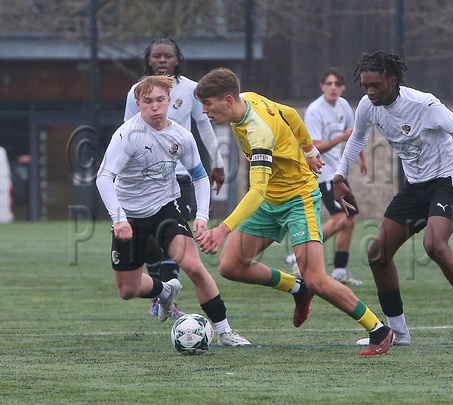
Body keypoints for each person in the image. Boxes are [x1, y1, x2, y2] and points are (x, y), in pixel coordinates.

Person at [193, 67, 394, 355]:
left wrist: (222, 228)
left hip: (297, 198)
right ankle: (297, 289)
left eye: (208, 105)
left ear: (227, 100)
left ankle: (379, 330)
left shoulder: (258, 132)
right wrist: (311, 151)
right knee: (231, 266)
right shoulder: (248, 98)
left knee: (316, 277)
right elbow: (289, 113)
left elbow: (257, 190)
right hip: (269, 201)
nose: (204, 112)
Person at [334, 51, 453, 348]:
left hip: (448, 181)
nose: (370, 92)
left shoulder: (424, 105)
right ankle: (398, 332)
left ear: (392, 80)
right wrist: (338, 177)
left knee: (434, 245)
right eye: (365, 86)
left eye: (376, 86)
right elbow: (358, 137)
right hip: (415, 187)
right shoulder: (368, 106)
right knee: (378, 254)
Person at [97, 75, 250, 347]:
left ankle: (226, 332)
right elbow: (104, 177)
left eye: (160, 101)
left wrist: (202, 216)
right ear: (138, 103)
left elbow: (200, 176)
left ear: (170, 102)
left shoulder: (180, 135)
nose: (155, 107)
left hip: (165, 209)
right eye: (148, 102)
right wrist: (119, 219)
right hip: (129, 216)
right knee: (127, 290)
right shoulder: (126, 135)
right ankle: (165, 291)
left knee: (195, 268)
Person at [124, 38, 225, 318]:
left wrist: (217, 162)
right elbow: (127, 134)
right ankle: (161, 293)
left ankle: (167, 296)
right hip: (148, 177)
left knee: (175, 236)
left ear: (176, 59)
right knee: (149, 242)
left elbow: (204, 126)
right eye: (157, 56)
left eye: (167, 56)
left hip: (180, 176)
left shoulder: (191, 89)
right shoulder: (136, 91)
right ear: (149, 60)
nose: (162, 60)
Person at [303, 67, 367, 286]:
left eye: (337, 84)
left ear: (342, 87)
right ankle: (298, 256)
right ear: (322, 86)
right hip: (320, 173)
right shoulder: (314, 111)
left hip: (336, 173)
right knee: (340, 220)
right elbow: (315, 146)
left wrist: (363, 158)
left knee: (349, 221)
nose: (333, 88)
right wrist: (342, 137)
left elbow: (354, 135)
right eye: (329, 84)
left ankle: (340, 270)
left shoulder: (344, 106)